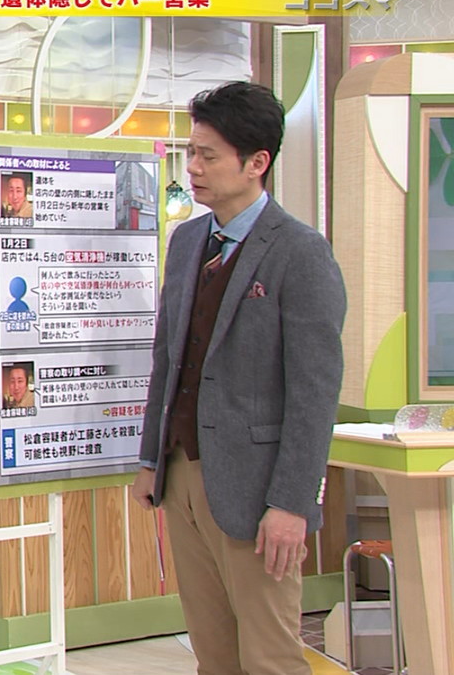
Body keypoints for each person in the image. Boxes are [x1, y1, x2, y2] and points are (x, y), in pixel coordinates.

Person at [132, 81, 346, 675]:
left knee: (270, 654)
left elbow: (314, 393)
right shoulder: (188, 241)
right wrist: (151, 459)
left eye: (208, 156)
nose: (193, 168)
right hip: (182, 473)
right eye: (191, 153)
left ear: (257, 163)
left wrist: (292, 504)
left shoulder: (300, 252)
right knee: (213, 650)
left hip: (257, 490)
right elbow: (168, 358)